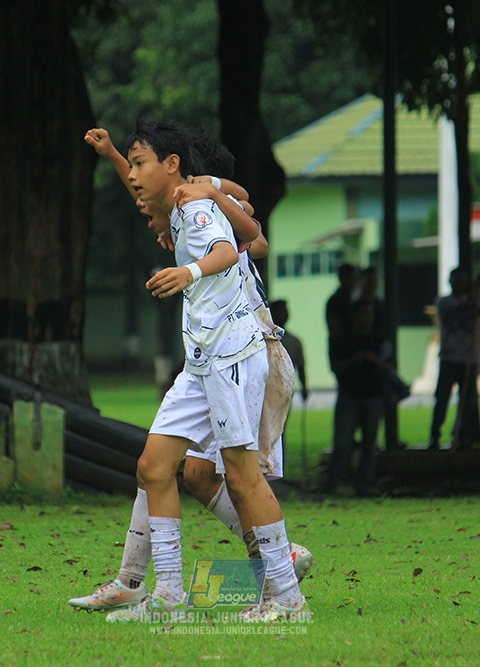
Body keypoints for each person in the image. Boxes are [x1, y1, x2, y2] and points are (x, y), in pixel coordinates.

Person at [84, 120, 309, 623]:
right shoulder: (181, 207)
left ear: (174, 166)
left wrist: (193, 255)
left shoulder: (196, 204)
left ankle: (284, 588)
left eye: (143, 165)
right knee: (162, 467)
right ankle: (166, 597)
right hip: (205, 359)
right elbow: (249, 233)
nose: (137, 186)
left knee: (239, 476)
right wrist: (114, 155)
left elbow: (237, 245)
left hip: (243, 355)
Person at [321, 299, 392, 497]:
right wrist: (354, 361)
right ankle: (332, 484)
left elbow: (390, 368)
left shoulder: (379, 340)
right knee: (342, 444)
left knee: (370, 446)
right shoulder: (344, 340)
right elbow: (335, 366)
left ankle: (364, 486)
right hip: (349, 396)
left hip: (373, 397)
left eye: (370, 314)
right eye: (364, 314)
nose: (368, 318)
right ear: (355, 316)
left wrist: (372, 359)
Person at [428, 268, 480, 450]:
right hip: (450, 357)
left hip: (468, 358)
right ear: (450, 281)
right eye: (457, 279)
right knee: (442, 398)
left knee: (467, 400)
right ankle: (435, 435)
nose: (460, 283)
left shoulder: (472, 300)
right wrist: (477, 286)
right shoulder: (444, 302)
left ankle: (460, 435)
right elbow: (466, 307)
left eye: (463, 279)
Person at [269, 300, 308, 406]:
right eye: (280, 311)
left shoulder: (294, 342)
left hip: (286, 392)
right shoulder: (264, 341)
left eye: (285, 311)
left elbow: (301, 367)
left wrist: (304, 387)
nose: (283, 314)